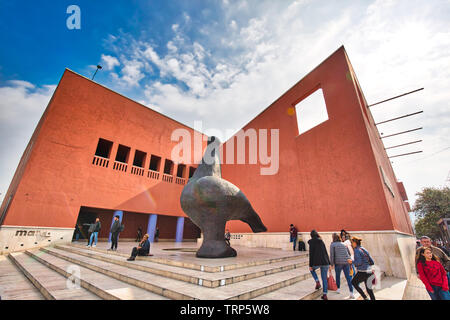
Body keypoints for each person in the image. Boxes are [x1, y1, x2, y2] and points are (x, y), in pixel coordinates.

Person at [308, 230, 331, 300]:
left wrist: (310, 265)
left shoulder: (311, 242)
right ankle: (325, 294)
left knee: (312, 270)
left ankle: (317, 281)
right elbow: (325, 252)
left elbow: (311, 254)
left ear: (311, 235)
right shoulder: (321, 241)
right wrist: (329, 263)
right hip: (325, 262)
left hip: (317, 262)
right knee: (324, 279)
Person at [330, 233, 355, 299]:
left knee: (337, 276)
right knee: (348, 278)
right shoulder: (343, 243)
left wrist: (331, 264)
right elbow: (347, 253)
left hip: (338, 263)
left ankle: (338, 289)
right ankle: (351, 292)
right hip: (346, 262)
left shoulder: (332, 244)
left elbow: (332, 255)